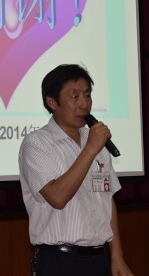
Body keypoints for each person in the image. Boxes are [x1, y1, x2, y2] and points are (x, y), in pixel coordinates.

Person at [19, 64, 133, 276]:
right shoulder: (37, 143)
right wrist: (90, 149)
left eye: (87, 95)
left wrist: (117, 256)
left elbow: (106, 200)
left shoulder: (96, 142)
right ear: (52, 102)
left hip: (100, 259)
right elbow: (58, 197)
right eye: (75, 96)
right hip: (59, 261)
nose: (84, 104)